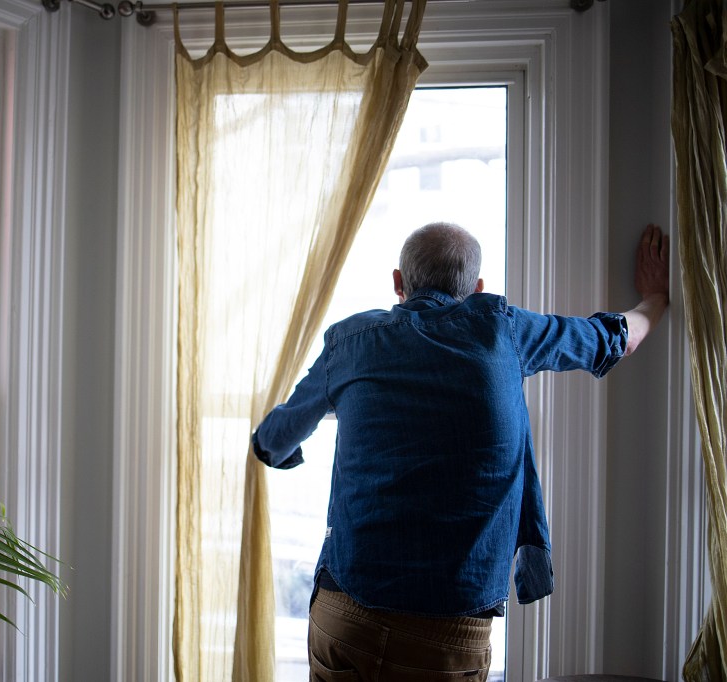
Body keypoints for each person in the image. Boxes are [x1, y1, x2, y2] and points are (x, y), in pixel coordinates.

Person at [251, 222, 670, 682]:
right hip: (447, 634)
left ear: (398, 282)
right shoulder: (505, 330)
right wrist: (655, 300)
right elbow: (617, 338)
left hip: (345, 616)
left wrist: (282, 452)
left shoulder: (349, 341)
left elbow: (274, 439)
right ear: (477, 289)